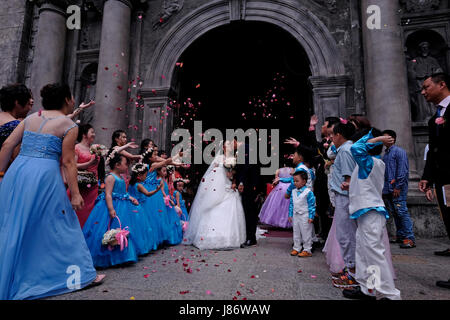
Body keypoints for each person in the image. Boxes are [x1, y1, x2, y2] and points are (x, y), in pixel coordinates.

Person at [0, 83, 104, 299]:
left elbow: (8, 144)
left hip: (17, 173)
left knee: (13, 222)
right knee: (61, 223)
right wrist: (75, 193)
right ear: (67, 99)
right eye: (72, 97)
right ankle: (82, 273)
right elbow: (68, 161)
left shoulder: (30, 119)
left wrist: (1, 172)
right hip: (44, 177)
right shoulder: (69, 125)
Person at [342, 129, 401, 300]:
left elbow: (356, 149)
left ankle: (391, 295)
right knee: (363, 253)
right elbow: (363, 182)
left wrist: (379, 138)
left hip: (371, 214)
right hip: (365, 213)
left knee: (373, 253)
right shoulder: (368, 163)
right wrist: (350, 185)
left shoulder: (369, 161)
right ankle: (368, 289)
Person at [418, 73, 450, 290]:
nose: (422, 91)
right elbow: (433, 150)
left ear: (442, 84)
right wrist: (427, 177)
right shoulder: (434, 119)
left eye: (426, 86)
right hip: (442, 179)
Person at [183, 140, 246, 250]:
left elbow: (237, 172)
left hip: (229, 186)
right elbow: (213, 173)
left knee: (230, 206)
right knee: (214, 207)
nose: (230, 146)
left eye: (230, 144)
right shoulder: (219, 158)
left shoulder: (236, 157)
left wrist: (233, 177)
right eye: (228, 145)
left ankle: (231, 237)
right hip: (219, 185)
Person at [82, 153, 139, 268]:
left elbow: (123, 192)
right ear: (117, 165)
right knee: (109, 228)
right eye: (125, 164)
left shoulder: (121, 177)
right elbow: (108, 194)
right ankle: (107, 255)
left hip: (122, 206)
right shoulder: (110, 177)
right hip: (112, 206)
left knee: (121, 229)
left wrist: (130, 197)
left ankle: (122, 255)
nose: (127, 167)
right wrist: (111, 208)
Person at [328, 121, 358, 289]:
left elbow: (348, 179)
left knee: (346, 234)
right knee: (346, 234)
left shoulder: (346, 151)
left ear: (339, 135)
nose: (331, 139)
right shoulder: (347, 149)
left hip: (345, 197)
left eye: (332, 135)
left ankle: (352, 273)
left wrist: (346, 184)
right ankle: (350, 269)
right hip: (344, 196)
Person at [381, 129, 416, 248]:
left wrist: (398, 186)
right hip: (388, 189)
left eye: (385, 137)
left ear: (392, 138)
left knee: (401, 212)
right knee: (396, 213)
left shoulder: (399, 152)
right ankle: (401, 235)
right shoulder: (386, 154)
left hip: (397, 188)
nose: (383, 139)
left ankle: (409, 238)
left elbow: (402, 170)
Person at [69, 124, 105, 228]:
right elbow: (72, 165)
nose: (94, 134)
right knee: (80, 212)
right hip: (80, 186)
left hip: (93, 187)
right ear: (84, 134)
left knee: (91, 213)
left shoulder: (95, 149)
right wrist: (88, 164)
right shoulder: (77, 147)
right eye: (92, 132)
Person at [128, 163, 162, 254]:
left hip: (131, 206)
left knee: (135, 227)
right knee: (145, 228)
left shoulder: (130, 184)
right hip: (140, 207)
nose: (146, 177)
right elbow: (148, 194)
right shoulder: (139, 185)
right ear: (139, 175)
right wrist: (157, 190)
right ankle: (144, 246)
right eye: (145, 175)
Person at [258, 157, 294, 228]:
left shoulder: (278, 170)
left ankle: (276, 221)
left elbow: (275, 181)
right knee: (288, 206)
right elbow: (293, 179)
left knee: (277, 205)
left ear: (283, 164)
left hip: (280, 187)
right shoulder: (293, 170)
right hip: (290, 187)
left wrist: (276, 182)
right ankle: (287, 222)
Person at [0, 84, 33, 159]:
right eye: (28, 104)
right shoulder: (16, 126)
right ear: (17, 103)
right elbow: (15, 157)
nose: (29, 109)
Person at [288, 171, 316, 258]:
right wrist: (290, 214)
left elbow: (312, 205)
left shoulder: (308, 192)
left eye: (297, 181)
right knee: (296, 231)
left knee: (306, 232)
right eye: (294, 181)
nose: (295, 183)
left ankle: (307, 249)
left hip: (305, 215)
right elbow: (291, 204)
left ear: (304, 181)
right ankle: (296, 247)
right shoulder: (293, 192)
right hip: (296, 214)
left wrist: (311, 216)